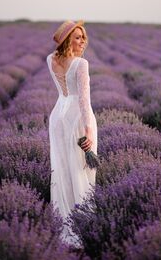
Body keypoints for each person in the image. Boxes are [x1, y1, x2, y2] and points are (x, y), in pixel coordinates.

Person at [46, 20, 98, 249]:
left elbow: (64, 92)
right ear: (68, 39)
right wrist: (88, 131)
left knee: (62, 169)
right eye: (77, 37)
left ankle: (63, 222)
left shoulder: (50, 59)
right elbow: (84, 101)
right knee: (81, 170)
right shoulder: (81, 64)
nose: (82, 41)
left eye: (83, 37)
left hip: (57, 118)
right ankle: (83, 225)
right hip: (78, 120)